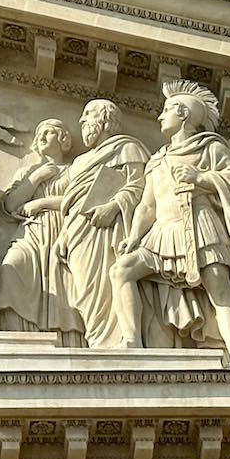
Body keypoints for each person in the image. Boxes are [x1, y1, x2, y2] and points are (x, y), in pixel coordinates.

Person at [111, 81, 230, 365]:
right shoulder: (157, 160)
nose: (160, 117)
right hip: (161, 232)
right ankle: (131, 340)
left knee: (219, 287)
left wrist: (201, 179)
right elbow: (147, 205)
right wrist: (134, 236)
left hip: (201, 226)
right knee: (121, 271)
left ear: (183, 114)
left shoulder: (211, 148)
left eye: (167, 110)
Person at [56, 100, 150, 348]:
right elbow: (70, 203)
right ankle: (98, 342)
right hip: (78, 230)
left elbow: (140, 187)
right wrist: (63, 233)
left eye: (88, 114)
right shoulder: (78, 163)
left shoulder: (127, 148)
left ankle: (115, 342)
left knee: (108, 285)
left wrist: (113, 206)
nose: (81, 121)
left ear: (106, 119)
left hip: (109, 229)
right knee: (84, 292)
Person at [0, 118, 84, 344]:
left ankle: (68, 340)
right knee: (11, 268)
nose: (42, 138)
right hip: (32, 233)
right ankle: (18, 339)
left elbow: (82, 202)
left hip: (64, 232)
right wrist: (36, 178)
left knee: (66, 286)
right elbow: (10, 204)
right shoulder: (28, 171)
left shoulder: (75, 170)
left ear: (63, 139)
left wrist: (42, 203)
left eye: (48, 132)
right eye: (39, 135)